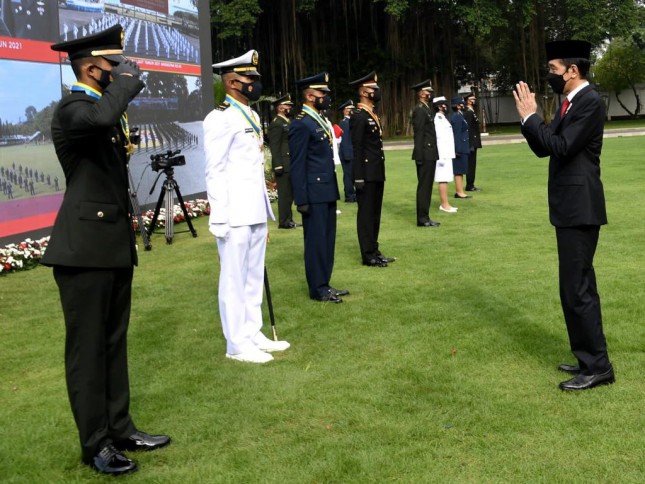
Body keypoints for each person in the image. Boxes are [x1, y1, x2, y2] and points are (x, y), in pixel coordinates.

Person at [41, 25, 170, 476]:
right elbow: (98, 120)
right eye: (113, 65)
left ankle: (120, 428)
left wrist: (119, 88)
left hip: (111, 245)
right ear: (92, 66)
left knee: (113, 344)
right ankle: (95, 444)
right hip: (83, 251)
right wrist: (127, 83)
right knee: (88, 350)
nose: (121, 71)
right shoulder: (74, 108)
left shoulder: (100, 106)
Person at [513, 40, 614, 391]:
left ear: (573, 70)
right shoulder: (568, 103)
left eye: (554, 70)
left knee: (578, 289)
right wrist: (531, 121)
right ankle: (588, 358)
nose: (550, 76)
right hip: (569, 208)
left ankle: (598, 366)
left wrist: (530, 117)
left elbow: (561, 146)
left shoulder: (588, 102)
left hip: (580, 208)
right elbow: (545, 148)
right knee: (573, 288)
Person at [205, 49, 290, 363]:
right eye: (248, 79)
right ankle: (236, 344)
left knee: (254, 275)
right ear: (231, 83)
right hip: (234, 213)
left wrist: (265, 212)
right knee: (234, 279)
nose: (254, 84)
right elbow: (214, 170)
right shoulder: (219, 119)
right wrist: (219, 216)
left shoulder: (252, 116)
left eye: (255, 78)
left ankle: (253, 332)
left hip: (254, 209)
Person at [288, 72, 348, 303]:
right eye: (323, 93)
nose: (326, 97)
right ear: (311, 95)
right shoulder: (302, 124)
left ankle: (326, 283)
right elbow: (298, 163)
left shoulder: (319, 120)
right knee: (315, 241)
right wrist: (301, 198)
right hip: (313, 193)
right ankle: (318, 288)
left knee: (327, 239)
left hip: (326, 190)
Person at [349, 71, 394, 267]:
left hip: (376, 171)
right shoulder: (359, 116)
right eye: (372, 89)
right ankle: (367, 255)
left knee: (375, 213)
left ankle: (374, 249)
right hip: (365, 174)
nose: (376, 92)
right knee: (366, 214)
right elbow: (357, 148)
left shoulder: (371, 114)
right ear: (363, 92)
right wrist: (358, 176)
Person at [410, 79, 440, 227]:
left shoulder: (427, 108)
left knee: (427, 187)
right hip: (425, 153)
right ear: (421, 94)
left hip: (430, 152)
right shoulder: (419, 110)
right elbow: (419, 134)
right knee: (424, 187)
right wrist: (420, 156)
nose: (430, 94)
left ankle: (425, 216)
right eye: (428, 92)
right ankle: (422, 218)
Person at [268, 93, 297, 229]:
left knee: (289, 194)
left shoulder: (286, 121)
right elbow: (274, 146)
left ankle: (289, 219)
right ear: (280, 108)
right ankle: (284, 221)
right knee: (284, 194)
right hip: (283, 164)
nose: (290, 108)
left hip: (290, 162)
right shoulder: (277, 124)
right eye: (287, 105)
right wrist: (278, 165)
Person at [432, 96, 457, 213]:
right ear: (438, 106)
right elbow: (438, 139)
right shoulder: (437, 119)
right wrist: (440, 156)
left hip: (447, 153)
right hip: (442, 154)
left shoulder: (443, 118)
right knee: (442, 179)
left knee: (446, 179)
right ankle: (444, 204)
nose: (445, 106)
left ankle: (446, 203)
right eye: (443, 104)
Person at [450, 96, 471, 200]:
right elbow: (456, 134)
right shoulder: (456, 117)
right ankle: (459, 192)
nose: (463, 105)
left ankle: (460, 191)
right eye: (461, 104)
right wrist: (457, 149)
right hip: (460, 147)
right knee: (458, 170)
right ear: (457, 106)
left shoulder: (460, 115)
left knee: (461, 170)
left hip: (463, 146)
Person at [462, 92, 482, 191]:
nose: (474, 101)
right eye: (472, 99)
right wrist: (470, 143)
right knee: (471, 164)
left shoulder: (471, 111)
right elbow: (468, 128)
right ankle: (469, 185)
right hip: (471, 142)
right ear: (468, 101)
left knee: (472, 164)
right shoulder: (468, 112)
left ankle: (471, 184)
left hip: (473, 141)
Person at [337, 100, 356, 202]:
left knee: (352, 175)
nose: (351, 111)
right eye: (349, 109)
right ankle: (349, 196)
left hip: (352, 152)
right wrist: (347, 155)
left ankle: (353, 194)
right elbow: (344, 141)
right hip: (347, 153)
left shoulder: (351, 121)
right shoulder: (344, 123)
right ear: (344, 111)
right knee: (348, 175)